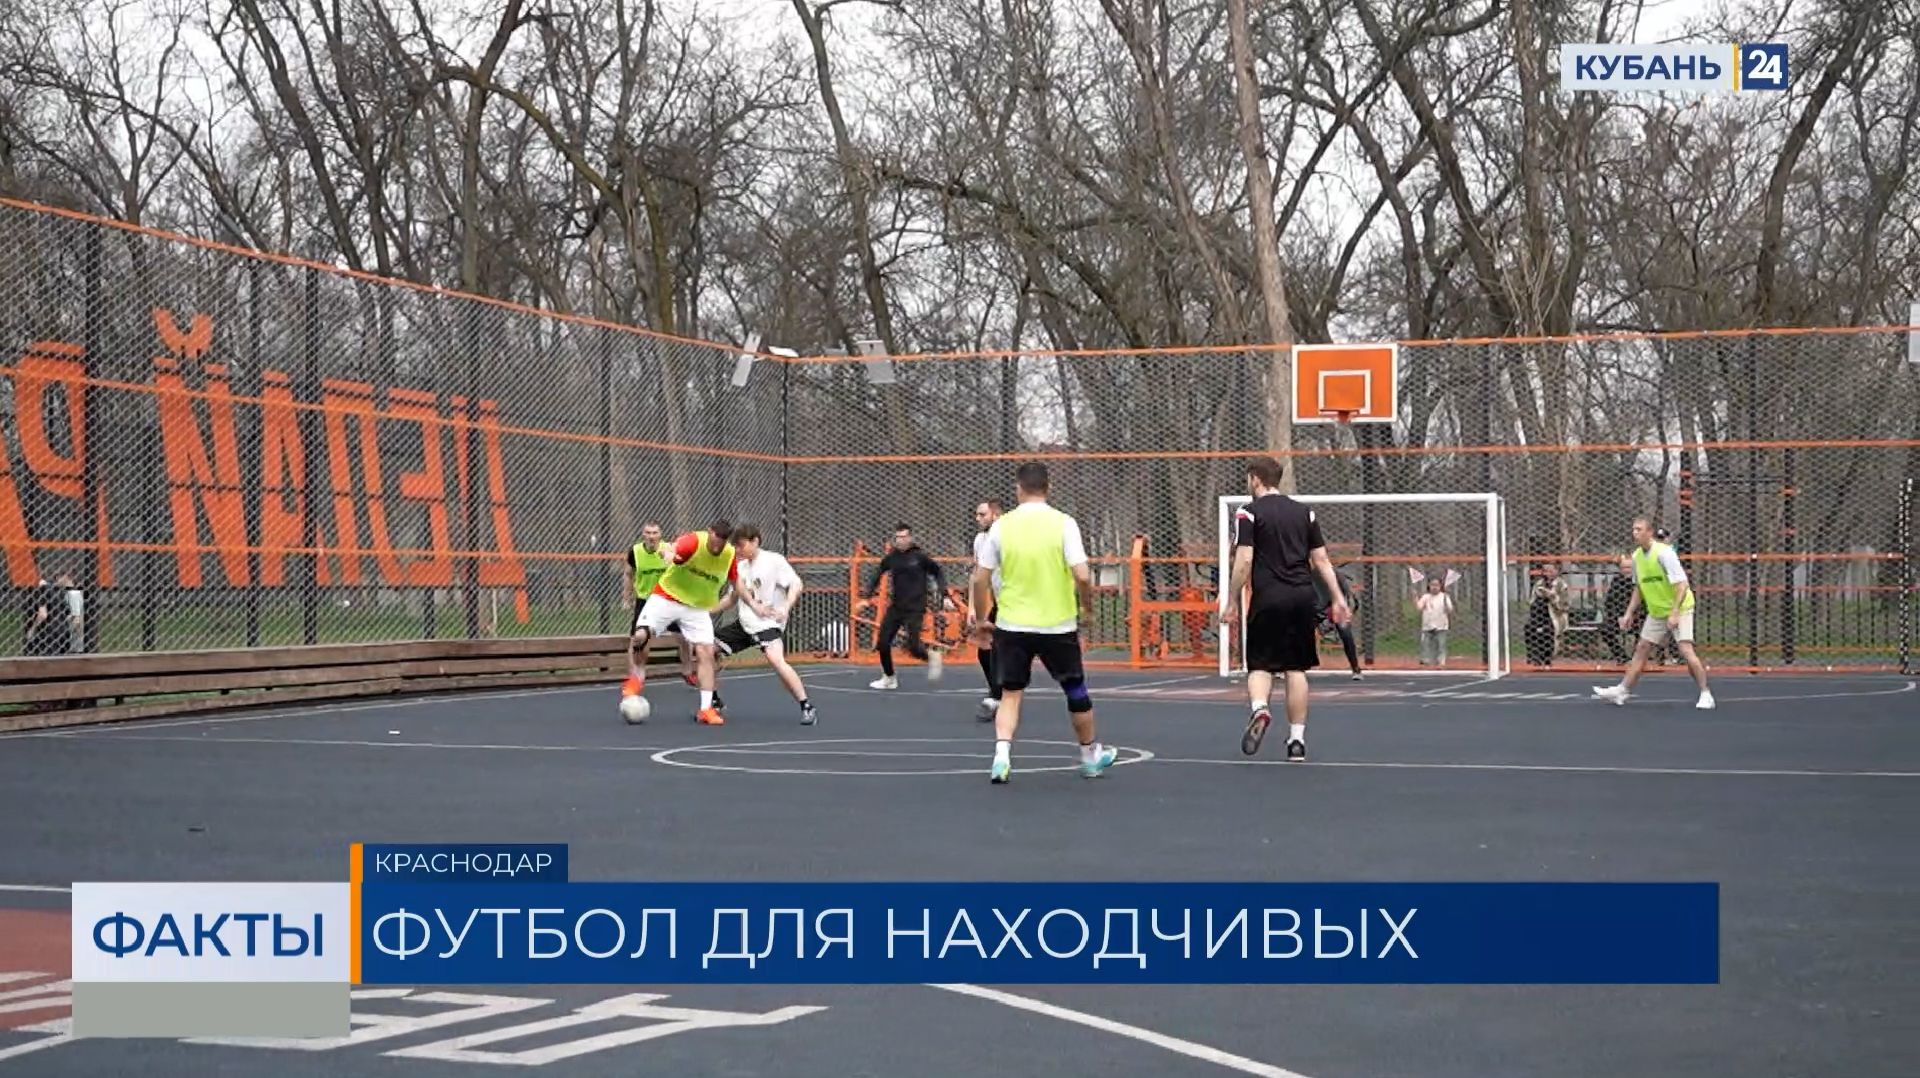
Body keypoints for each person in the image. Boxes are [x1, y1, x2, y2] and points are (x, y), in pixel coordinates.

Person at [968, 462, 1115, 783]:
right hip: (1057, 624)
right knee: (1075, 689)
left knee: (1011, 693)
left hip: (1012, 623)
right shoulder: (1064, 524)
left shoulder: (1002, 527)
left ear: (1018, 489)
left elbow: (980, 579)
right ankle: (1089, 756)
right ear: (1048, 488)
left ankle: (1001, 756)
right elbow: (1082, 575)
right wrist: (1087, 609)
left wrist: (980, 620)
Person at [1221, 456, 1350, 762]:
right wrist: (1338, 597)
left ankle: (1260, 709)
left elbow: (1244, 560)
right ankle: (1297, 741)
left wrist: (1231, 598)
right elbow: (1321, 560)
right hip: (1302, 597)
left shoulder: (1248, 513)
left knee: (1260, 665)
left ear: (1255, 478)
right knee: (1296, 669)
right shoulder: (1305, 513)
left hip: (1269, 597)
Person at [623, 519, 738, 725]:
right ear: (709, 532)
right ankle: (636, 679)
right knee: (640, 636)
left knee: (706, 652)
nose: (717, 545)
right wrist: (669, 554)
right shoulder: (694, 541)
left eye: (722, 541)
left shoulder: (729, 555)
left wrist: (754, 603)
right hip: (667, 597)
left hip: (696, 606)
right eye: (715, 538)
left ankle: (706, 709)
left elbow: (737, 584)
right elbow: (671, 548)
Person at [1593, 517, 1715, 709]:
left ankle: (1705, 693)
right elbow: (1639, 588)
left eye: (1639, 529)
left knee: (1685, 650)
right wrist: (1628, 613)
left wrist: (1674, 612)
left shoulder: (1664, 553)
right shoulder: (1636, 557)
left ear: (1649, 532)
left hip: (1680, 607)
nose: (1635, 533)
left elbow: (1682, 585)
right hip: (1657, 611)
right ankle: (1622, 691)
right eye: (1633, 529)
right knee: (1642, 647)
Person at [712, 524, 818, 726]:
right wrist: (707, 611)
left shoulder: (773, 560)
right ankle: (713, 701)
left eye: (741, 545)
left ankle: (806, 706)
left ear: (755, 541)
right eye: (735, 547)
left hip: (767, 623)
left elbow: (796, 584)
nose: (738, 550)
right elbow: (732, 598)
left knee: (776, 660)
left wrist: (786, 607)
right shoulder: (740, 567)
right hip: (745, 623)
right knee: (706, 650)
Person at [858, 523, 948, 689]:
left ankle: (932, 656)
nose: (901, 540)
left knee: (913, 647)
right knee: (883, 643)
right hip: (896, 606)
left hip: (916, 607)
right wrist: (866, 597)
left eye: (904, 537)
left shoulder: (920, 557)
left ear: (910, 538)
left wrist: (944, 593)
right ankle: (889, 678)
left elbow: (937, 572)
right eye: (898, 537)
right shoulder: (892, 557)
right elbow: (877, 574)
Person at [626, 522, 701, 695]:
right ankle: (634, 678)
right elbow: (628, 574)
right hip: (645, 600)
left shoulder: (669, 549)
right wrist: (626, 597)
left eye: (655, 533)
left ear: (660, 535)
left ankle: (687, 671)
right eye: (648, 533)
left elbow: (684, 570)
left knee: (684, 637)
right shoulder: (635, 552)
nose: (651, 536)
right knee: (637, 639)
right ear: (643, 535)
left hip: (668, 599)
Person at [970, 499, 1003, 722]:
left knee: (1001, 649)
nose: (978, 518)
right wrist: (973, 608)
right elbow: (977, 576)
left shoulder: (1007, 537)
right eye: (977, 515)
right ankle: (996, 693)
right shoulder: (980, 540)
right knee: (984, 648)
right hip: (999, 602)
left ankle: (998, 695)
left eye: (983, 514)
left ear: (996, 515)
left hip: (1016, 602)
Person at [1313, 562, 1363, 679]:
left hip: (1331, 608)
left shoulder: (1335, 575)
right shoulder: (1300, 575)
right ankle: (1283, 667)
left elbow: (1346, 597)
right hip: (1310, 609)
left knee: (1345, 630)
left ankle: (1355, 668)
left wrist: (1342, 608)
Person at [1602, 555, 1637, 664]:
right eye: (1623, 568)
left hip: (1636, 617)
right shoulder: (1616, 580)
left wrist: (1631, 616)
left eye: (1629, 567)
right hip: (1619, 616)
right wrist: (1618, 617)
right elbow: (1609, 602)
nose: (1626, 570)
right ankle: (1621, 657)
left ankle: (1636, 658)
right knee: (1605, 630)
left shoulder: (1639, 580)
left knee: (1644, 631)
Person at [1414, 575, 1453, 666]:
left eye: (1437, 585)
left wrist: (1446, 602)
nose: (1434, 587)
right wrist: (1415, 598)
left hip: (1441, 625)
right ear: (1429, 586)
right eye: (1432, 585)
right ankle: (1426, 659)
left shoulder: (1444, 596)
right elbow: (1419, 608)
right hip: (1427, 624)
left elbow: (1449, 610)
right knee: (1425, 643)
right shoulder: (1426, 597)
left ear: (1440, 586)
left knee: (1441, 644)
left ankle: (1441, 660)